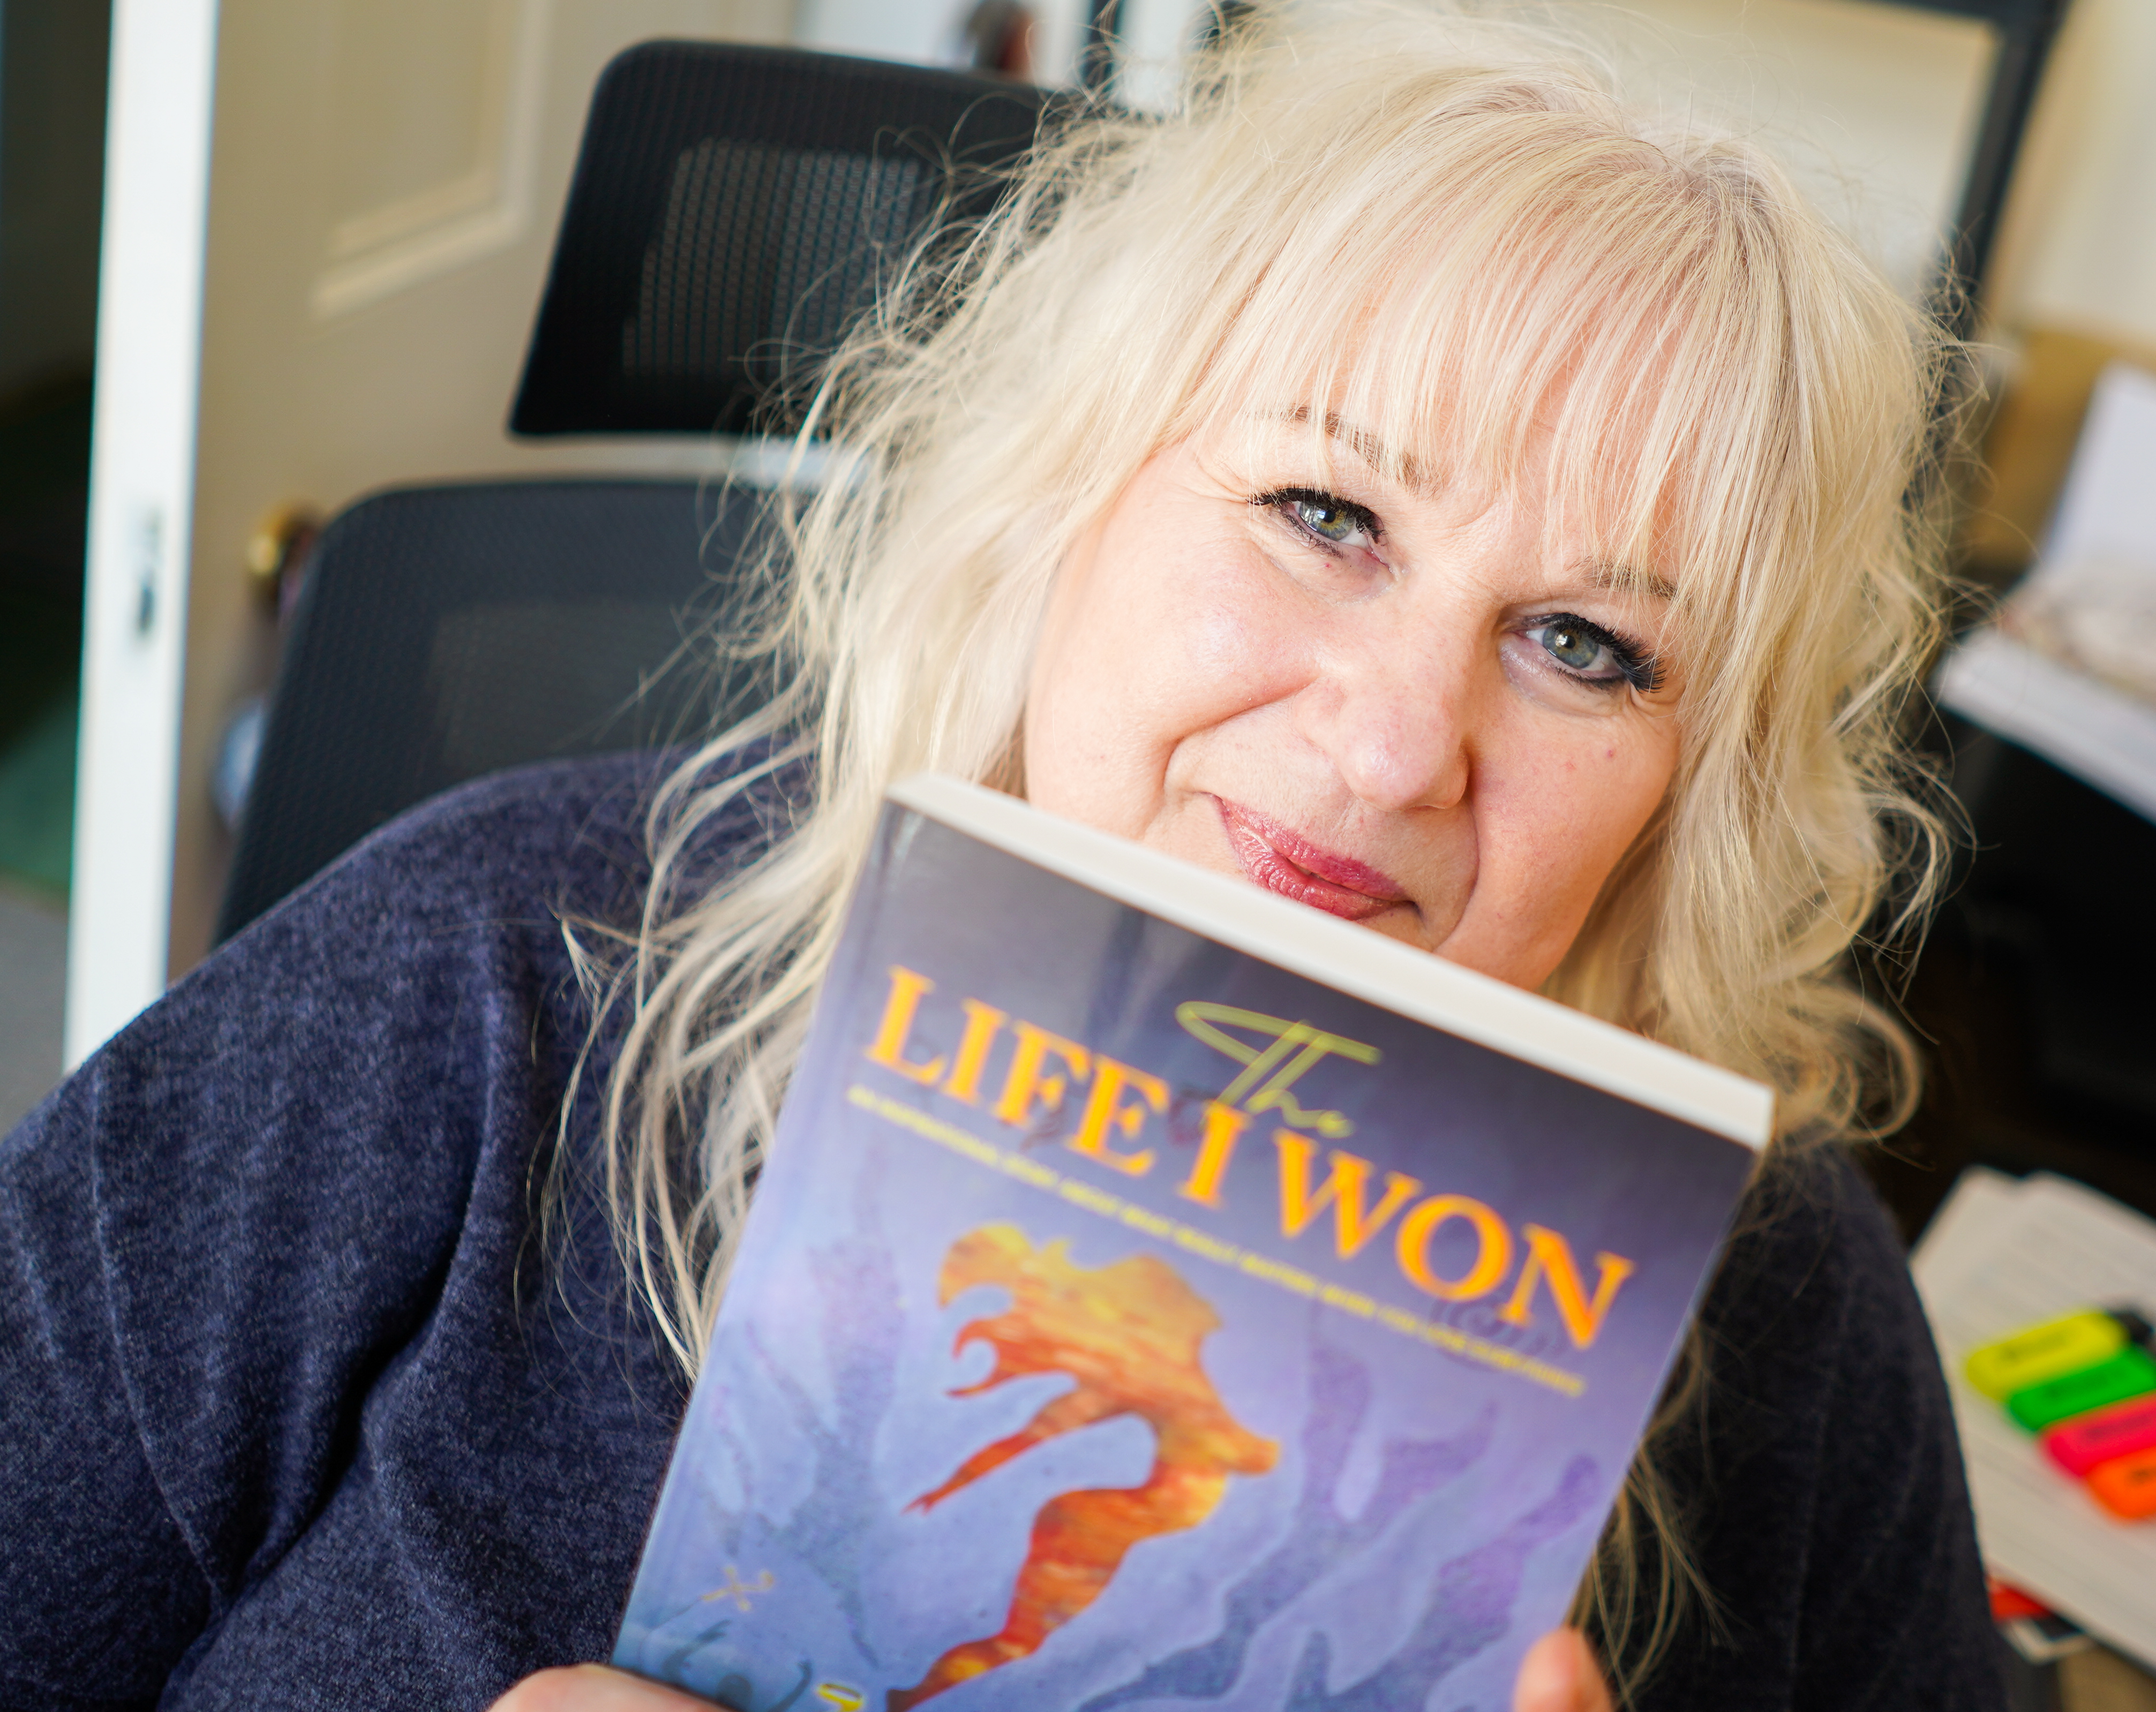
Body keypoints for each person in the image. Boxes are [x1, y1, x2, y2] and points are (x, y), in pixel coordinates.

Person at [0, 6, 2001, 1709]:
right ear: (1070, 489)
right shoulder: (497, 974)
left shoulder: (1788, 1304)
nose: (1397, 741)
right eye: (1324, 509)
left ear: (1692, 784)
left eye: (1587, 646)